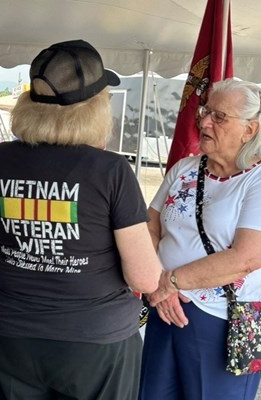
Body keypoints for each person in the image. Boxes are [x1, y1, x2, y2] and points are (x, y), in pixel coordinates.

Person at [0, 39, 162, 400]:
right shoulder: (111, 169)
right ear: (94, 108)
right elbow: (146, 277)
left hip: (17, 333)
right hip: (95, 340)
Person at [139, 78, 261, 400]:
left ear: (249, 130)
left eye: (220, 117)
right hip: (164, 306)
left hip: (221, 319)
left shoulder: (257, 181)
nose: (204, 121)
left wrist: (171, 282)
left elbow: (246, 258)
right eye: (206, 111)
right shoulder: (184, 168)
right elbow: (148, 229)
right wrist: (159, 287)